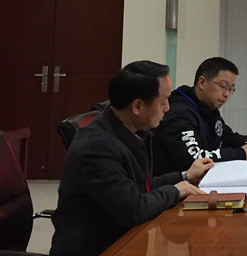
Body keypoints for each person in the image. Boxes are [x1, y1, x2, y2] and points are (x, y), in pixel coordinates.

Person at [50, 61, 213, 256]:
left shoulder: (133, 131)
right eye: (163, 101)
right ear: (137, 106)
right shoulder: (96, 147)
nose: (167, 108)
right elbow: (133, 209)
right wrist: (176, 190)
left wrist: (185, 176)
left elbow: (141, 186)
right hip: (98, 248)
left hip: (124, 237)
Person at [153, 57, 247, 175]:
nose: (226, 94)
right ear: (202, 82)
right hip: (175, 185)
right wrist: (240, 154)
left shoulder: (208, 109)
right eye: (223, 86)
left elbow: (227, 138)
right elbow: (192, 159)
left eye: (231, 89)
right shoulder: (179, 112)